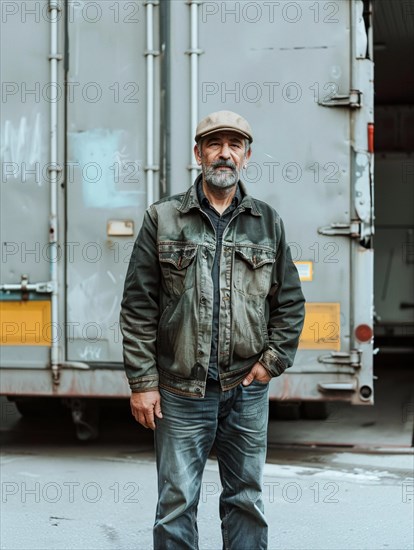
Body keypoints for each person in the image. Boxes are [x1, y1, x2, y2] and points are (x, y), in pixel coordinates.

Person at [120, 110, 305, 550]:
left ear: (246, 156)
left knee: (245, 499)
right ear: (198, 152)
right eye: (215, 144)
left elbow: (290, 302)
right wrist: (143, 383)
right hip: (181, 391)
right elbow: (138, 305)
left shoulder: (267, 222)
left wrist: (270, 364)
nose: (225, 153)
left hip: (245, 389)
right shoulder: (162, 219)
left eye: (234, 145)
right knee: (177, 503)